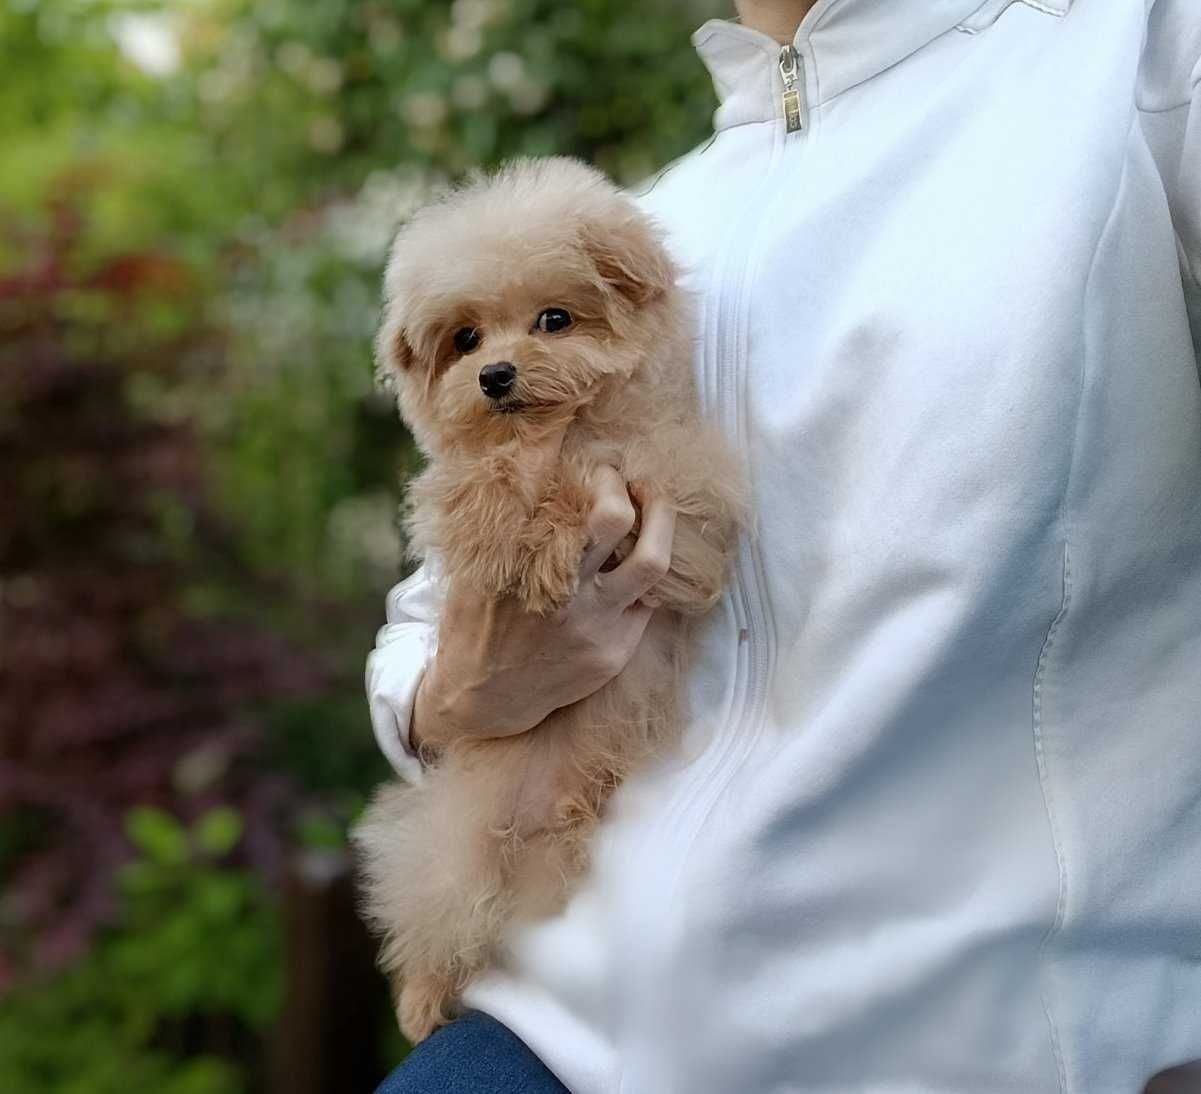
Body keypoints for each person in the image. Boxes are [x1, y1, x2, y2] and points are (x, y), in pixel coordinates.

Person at [368, 1, 1201, 1090]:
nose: (508, 355)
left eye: (544, 326)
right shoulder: (666, 207)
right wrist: (458, 695)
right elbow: (420, 638)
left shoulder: (1133, 56)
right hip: (555, 1027)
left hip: (962, 1041)